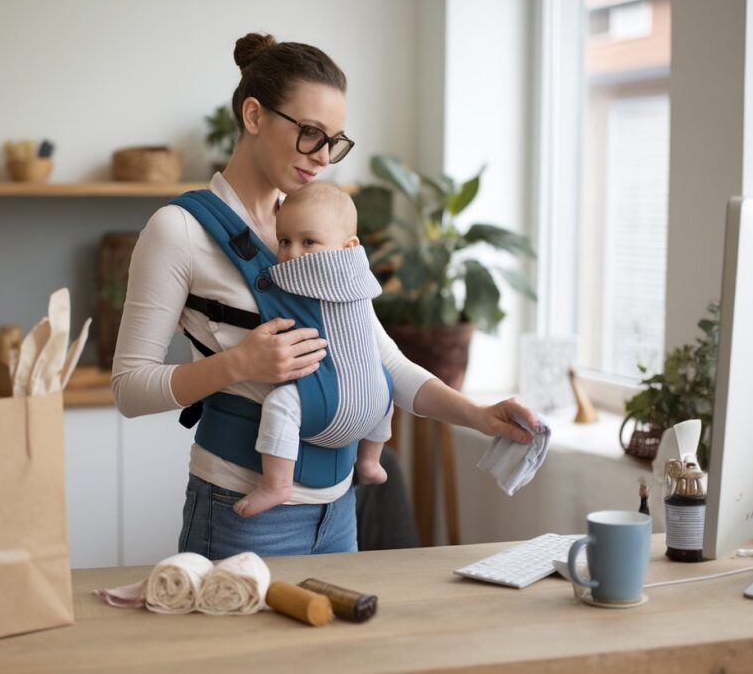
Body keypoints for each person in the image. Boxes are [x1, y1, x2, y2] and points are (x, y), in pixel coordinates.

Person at [111, 32, 538, 560]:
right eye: (311, 133)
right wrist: (239, 363)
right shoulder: (179, 231)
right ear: (253, 115)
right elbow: (129, 389)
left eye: (334, 140)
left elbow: (381, 360)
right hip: (242, 509)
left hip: (339, 511)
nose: (323, 156)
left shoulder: (320, 228)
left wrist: (478, 414)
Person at [232, 181, 393, 519]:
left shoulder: (302, 276)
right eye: (284, 241)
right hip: (377, 398)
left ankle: (277, 483)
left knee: (280, 404)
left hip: (330, 401)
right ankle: (370, 460)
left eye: (309, 242)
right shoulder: (361, 277)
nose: (292, 255)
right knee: (387, 383)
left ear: (348, 248)